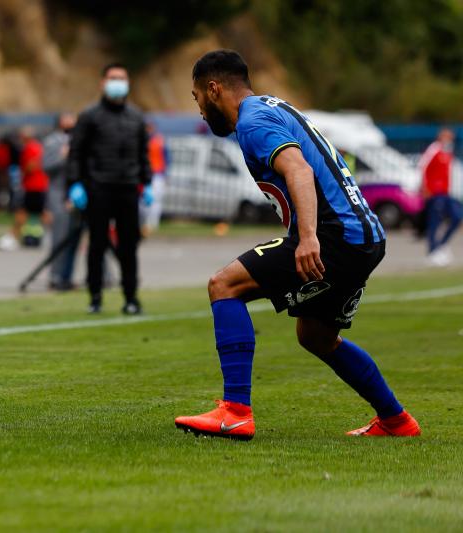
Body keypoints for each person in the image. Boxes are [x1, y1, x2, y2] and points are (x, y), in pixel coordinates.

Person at [175, 49, 420, 439]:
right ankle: (396, 420)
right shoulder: (273, 107)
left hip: (334, 236)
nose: (200, 110)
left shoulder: (253, 122)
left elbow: (299, 170)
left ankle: (235, 411)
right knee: (316, 336)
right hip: (364, 237)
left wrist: (308, 238)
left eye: (197, 99)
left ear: (213, 88)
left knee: (224, 285)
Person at [67, 63, 153, 315]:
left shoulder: (137, 117)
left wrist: (146, 183)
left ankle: (131, 297)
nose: (117, 82)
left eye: (122, 78)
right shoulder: (89, 116)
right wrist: (75, 184)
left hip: (128, 188)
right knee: (97, 244)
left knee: (129, 245)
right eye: (113, 78)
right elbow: (76, 153)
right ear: (103, 82)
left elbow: (143, 154)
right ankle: (95, 297)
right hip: (98, 188)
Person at [0, 126, 51, 249]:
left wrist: (23, 172)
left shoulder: (31, 147)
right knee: (40, 212)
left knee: (23, 212)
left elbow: (32, 164)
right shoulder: (37, 146)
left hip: (33, 185)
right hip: (38, 185)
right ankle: (52, 235)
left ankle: (12, 237)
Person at [43, 112, 79, 290]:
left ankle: (68, 276)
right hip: (58, 194)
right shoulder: (53, 141)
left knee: (77, 239)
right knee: (60, 237)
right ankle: (56, 277)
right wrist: (63, 156)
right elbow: (47, 167)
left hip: (77, 194)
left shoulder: (80, 139)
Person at [418, 128, 461, 266]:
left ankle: (441, 245)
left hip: (446, 193)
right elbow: (423, 166)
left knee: (456, 217)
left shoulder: (447, 152)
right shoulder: (434, 149)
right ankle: (432, 251)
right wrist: (425, 187)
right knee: (435, 221)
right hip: (434, 192)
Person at [140, 122, 168, 236]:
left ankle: (153, 223)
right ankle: (144, 223)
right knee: (142, 203)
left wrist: (165, 174)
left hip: (157, 174)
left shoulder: (159, 141)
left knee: (156, 201)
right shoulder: (143, 141)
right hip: (146, 174)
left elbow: (166, 159)